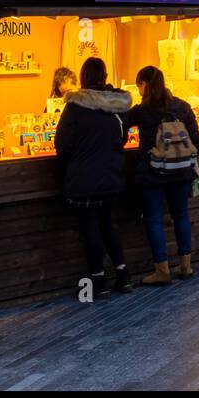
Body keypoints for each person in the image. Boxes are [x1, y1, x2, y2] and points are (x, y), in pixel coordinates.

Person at [54, 56, 132, 299]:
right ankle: (123, 275)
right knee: (107, 223)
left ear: (84, 77)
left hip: (84, 178)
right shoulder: (119, 106)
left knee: (90, 227)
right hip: (112, 176)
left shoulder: (76, 106)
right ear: (106, 76)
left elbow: (62, 145)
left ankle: (98, 280)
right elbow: (122, 139)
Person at [127, 65, 199, 284]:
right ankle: (186, 266)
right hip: (181, 172)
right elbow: (197, 141)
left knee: (153, 219)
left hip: (153, 172)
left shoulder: (142, 110)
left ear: (144, 85)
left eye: (138, 85)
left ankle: (162, 271)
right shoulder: (182, 106)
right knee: (181, 216)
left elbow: (120, 125)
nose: (138, 90)